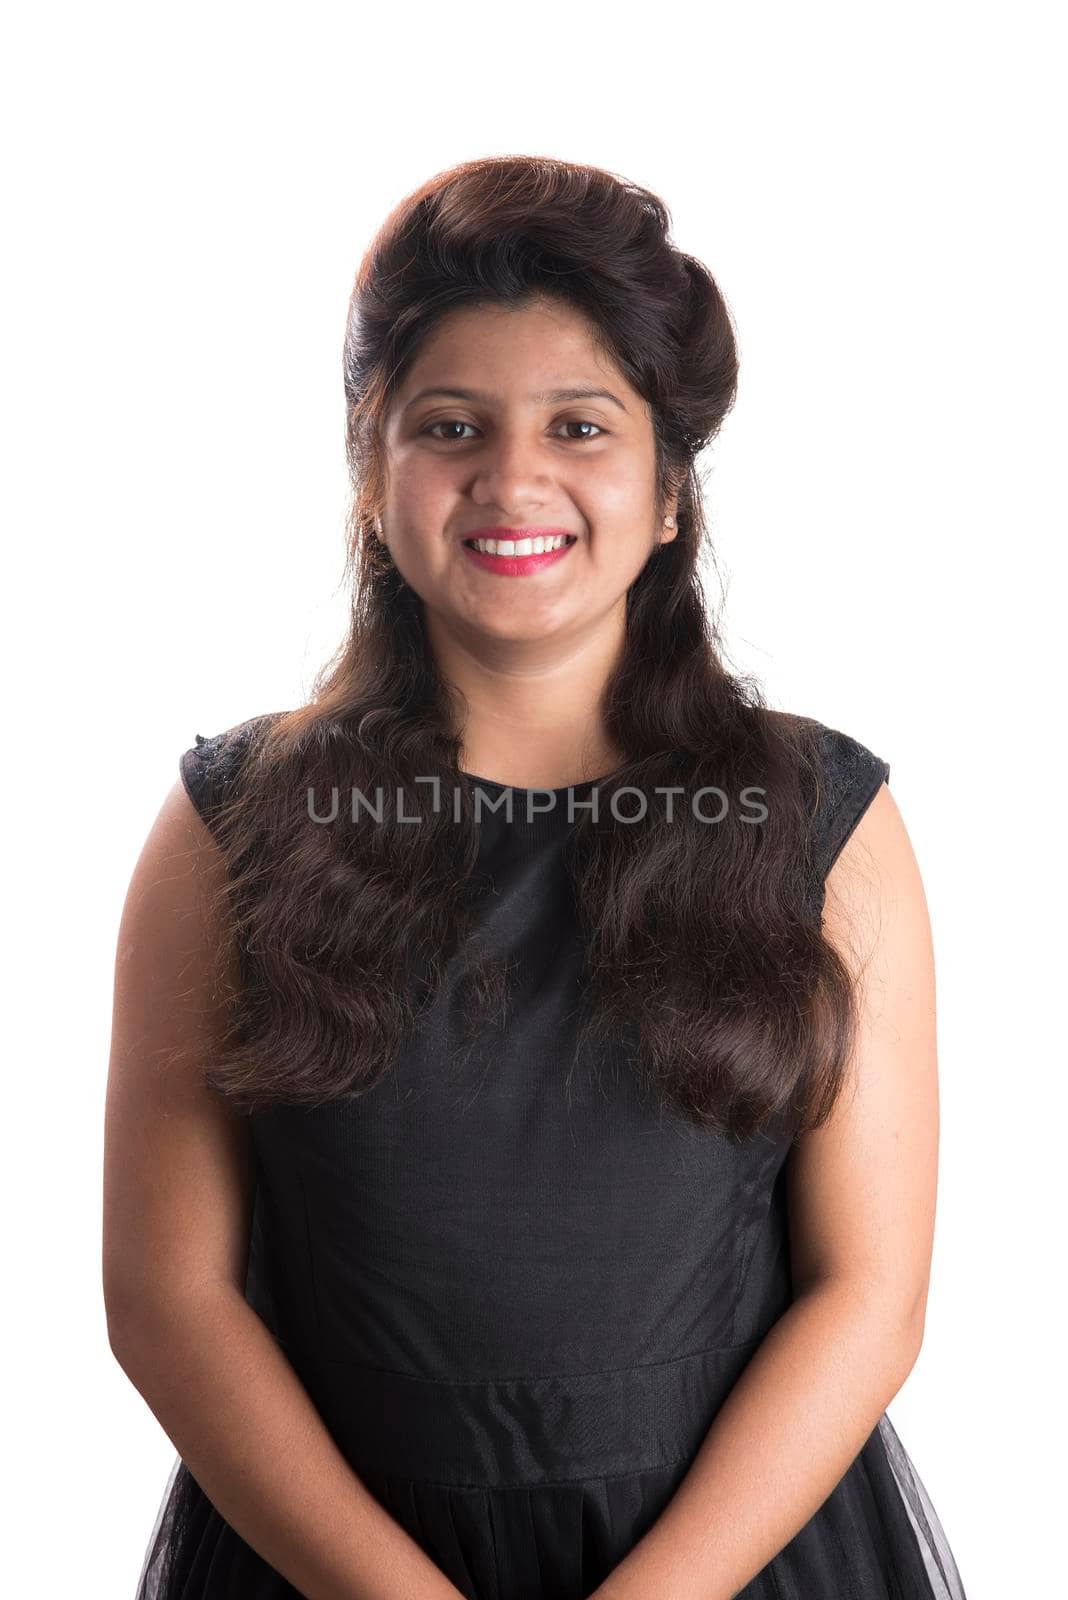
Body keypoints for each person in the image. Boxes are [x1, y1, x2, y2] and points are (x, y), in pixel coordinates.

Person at [104, 154, 968, 1600]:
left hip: (734, 1561)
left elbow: (869, 1297)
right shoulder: (234, 826)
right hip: (332, 1566)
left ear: (671, 488)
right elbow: (167, 1299)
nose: (515, 480)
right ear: (376, 481)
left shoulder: (819, 818)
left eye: (581, 426)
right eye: (451, 427)